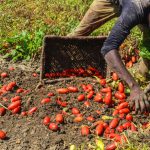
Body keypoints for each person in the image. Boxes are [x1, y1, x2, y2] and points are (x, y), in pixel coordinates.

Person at [69, 0, 150, 113]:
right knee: (79, 33)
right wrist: (134, 87)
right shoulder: (136, 9)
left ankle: (143, 76)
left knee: (148, 46)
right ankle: (64, 61)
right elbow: (108, 48)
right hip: (115, 2)